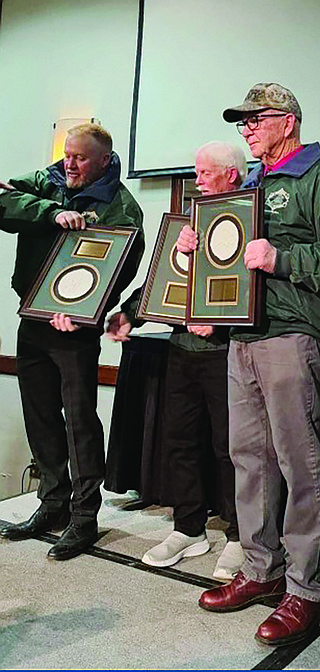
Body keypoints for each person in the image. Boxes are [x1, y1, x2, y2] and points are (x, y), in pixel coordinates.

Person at [181, 83, 320, 646]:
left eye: (255, 119)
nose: (247, 129)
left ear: (288, 121)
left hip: (292, 336)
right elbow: (229, 263)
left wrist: (281, 257)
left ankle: (305, 587)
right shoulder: (249, 185)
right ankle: (260, 570)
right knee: (249, 459)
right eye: (242, 123)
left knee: (298, 462)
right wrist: (194, 250)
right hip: (242, 337)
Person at [0, 123, 144, 560]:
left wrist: (87, 313)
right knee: (39, 414)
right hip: (34, 318)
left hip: (75, 328)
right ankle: (52, 503)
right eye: (67, 154)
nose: (70, 163)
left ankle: (84, 516)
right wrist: (48, 211)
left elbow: (122, 266)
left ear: (103, 161)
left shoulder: (122, 207)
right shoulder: (48, 181)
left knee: (79, 419)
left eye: (80, 157)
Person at [106, 141, 247, 580]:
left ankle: (241, 536)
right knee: (179, 441)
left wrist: (220, 325)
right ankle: (189, 527)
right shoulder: (185, 224)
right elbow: (159, 280)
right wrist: (128, 313)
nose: (198, 180)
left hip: (229, 355)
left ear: (232, 176)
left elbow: (252, 287)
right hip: (181, 351)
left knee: (231, 449)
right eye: (196, 172)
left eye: (207, 173)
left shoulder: (252, 219)